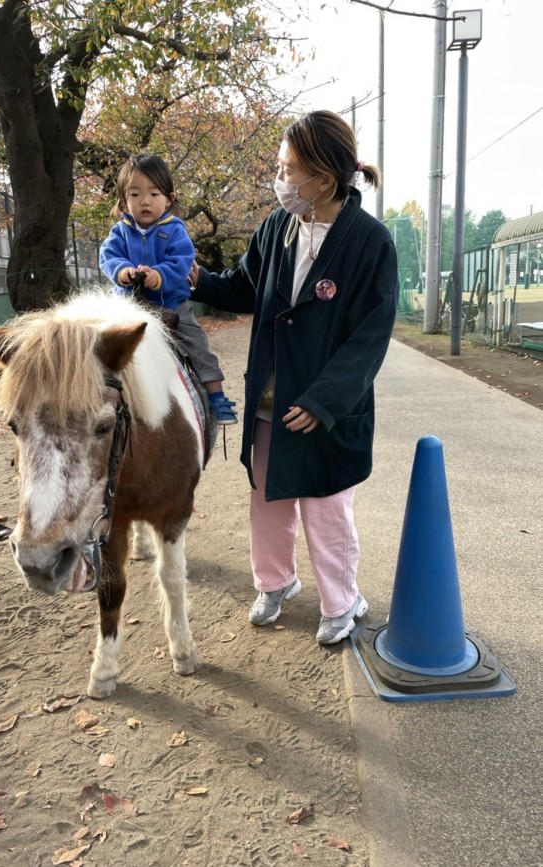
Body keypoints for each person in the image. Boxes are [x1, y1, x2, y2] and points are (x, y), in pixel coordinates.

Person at [189, 110, 399, 645]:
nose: (280, 181)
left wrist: (326, 399)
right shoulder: (277, 228)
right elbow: (242, 286)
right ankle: (275, 583)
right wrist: (199, 280)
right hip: (269, 400)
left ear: (324, 180)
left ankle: (342, 601)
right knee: (268, 499)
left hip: (325, 412)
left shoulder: (370, 243)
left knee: (327, 511)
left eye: (288, 170)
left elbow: (370, 337)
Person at [99, 153, 237, 425]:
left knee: (197, 345)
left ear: (169, 198)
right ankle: (95, 395)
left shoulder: (175, 230)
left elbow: (182, 260)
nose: (145, 201)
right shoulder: (120, 231)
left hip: (170, 305)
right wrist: (124, 271)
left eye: (153, 193)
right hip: (129, 309)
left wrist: (159, 275)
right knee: (100, 346)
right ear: (124, 200)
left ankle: (216, 397)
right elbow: (108, 257)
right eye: (135, 194)